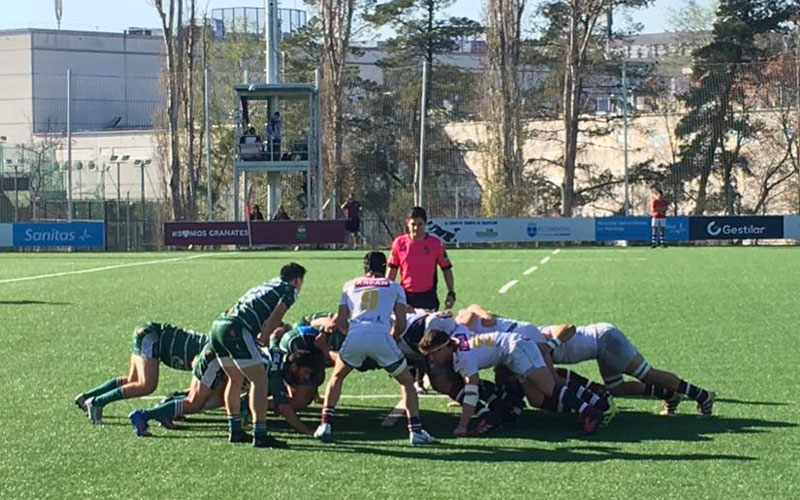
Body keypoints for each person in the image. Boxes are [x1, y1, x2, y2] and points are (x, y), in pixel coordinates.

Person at [313, 251, 436, 446]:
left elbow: (341, 320)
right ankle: (416, 431)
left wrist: (352, 336)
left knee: (337, 377)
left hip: (355, 334)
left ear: (365, 268)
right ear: (385, 267)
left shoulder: (349, 285)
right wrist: (391, 339)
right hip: (381, 336)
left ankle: (325, 425)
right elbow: (402, 324)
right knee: (406, 382)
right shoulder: (395, 287)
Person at [418, 326, 607, 435]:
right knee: (541, 392)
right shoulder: (455, 344)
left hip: (515, 348)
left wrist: (462, 425)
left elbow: (471, 389)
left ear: (443, 348)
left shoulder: (463, 359)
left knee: (549, 388)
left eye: (433, 354)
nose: (432, 359)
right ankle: (591, 408)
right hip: (512, 349)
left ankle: (592, 410)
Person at [208, 262, 306, 448]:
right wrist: (264, 338)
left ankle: (235, 429)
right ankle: (260, 433)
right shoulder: (289, 289)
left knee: (235, 379)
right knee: (260, 380)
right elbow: (276, 315)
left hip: (218, 325)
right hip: (236, 329)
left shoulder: (269, 283)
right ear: (296, 280)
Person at [537, 322, 716, 417]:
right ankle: (670, 395)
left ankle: (702, 395)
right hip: (601, 347)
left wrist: (551, 345)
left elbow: (569, 327)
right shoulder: (528, 341)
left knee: (647, 374)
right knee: (617, 389)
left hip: (604, 340)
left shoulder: (532, 340)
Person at [75, 322, 207, 425]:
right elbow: (198, 370)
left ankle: (86, 397)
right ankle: (97, 402)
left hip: (147, 332)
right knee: (146, 385)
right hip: (150, 336)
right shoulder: (213, 350)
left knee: (133, 380)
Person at [388, 206, 455, 311]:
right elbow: (392, 270)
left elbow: (446, 269)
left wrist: (451, 293)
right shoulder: (399, 243)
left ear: (425, 224)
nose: (416, 228)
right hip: (406, 297)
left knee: (428, 327)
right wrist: (387, 292)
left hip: (428, 298)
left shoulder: (435, 244)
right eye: (413, 224)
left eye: (420, 224)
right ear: (407, 223)